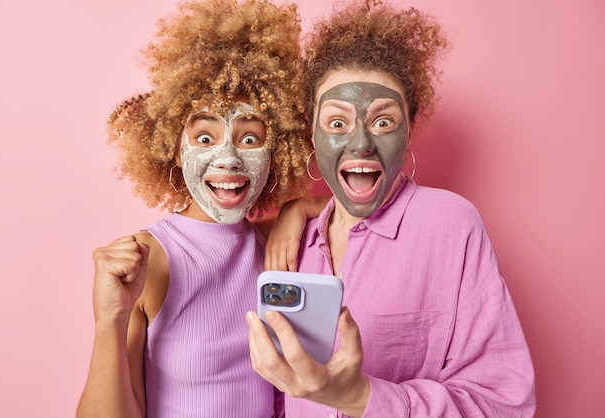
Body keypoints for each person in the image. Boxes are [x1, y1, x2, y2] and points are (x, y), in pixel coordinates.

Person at [246, 1, 537, 416]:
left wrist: (357, 397)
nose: (362, 143)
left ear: (409, 128)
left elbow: (503, 403)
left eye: (383, 122)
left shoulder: (450, 225)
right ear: (311, 130)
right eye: (337, 123)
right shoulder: (290, 242)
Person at [76, 0, 313, 417]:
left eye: (250, 138)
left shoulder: (269, 238)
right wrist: (110, 320)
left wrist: (297, 207)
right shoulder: (151, 259)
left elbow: (348, 212)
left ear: (278, 152)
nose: (228, 159)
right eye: (205, 138)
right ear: (173, 149)